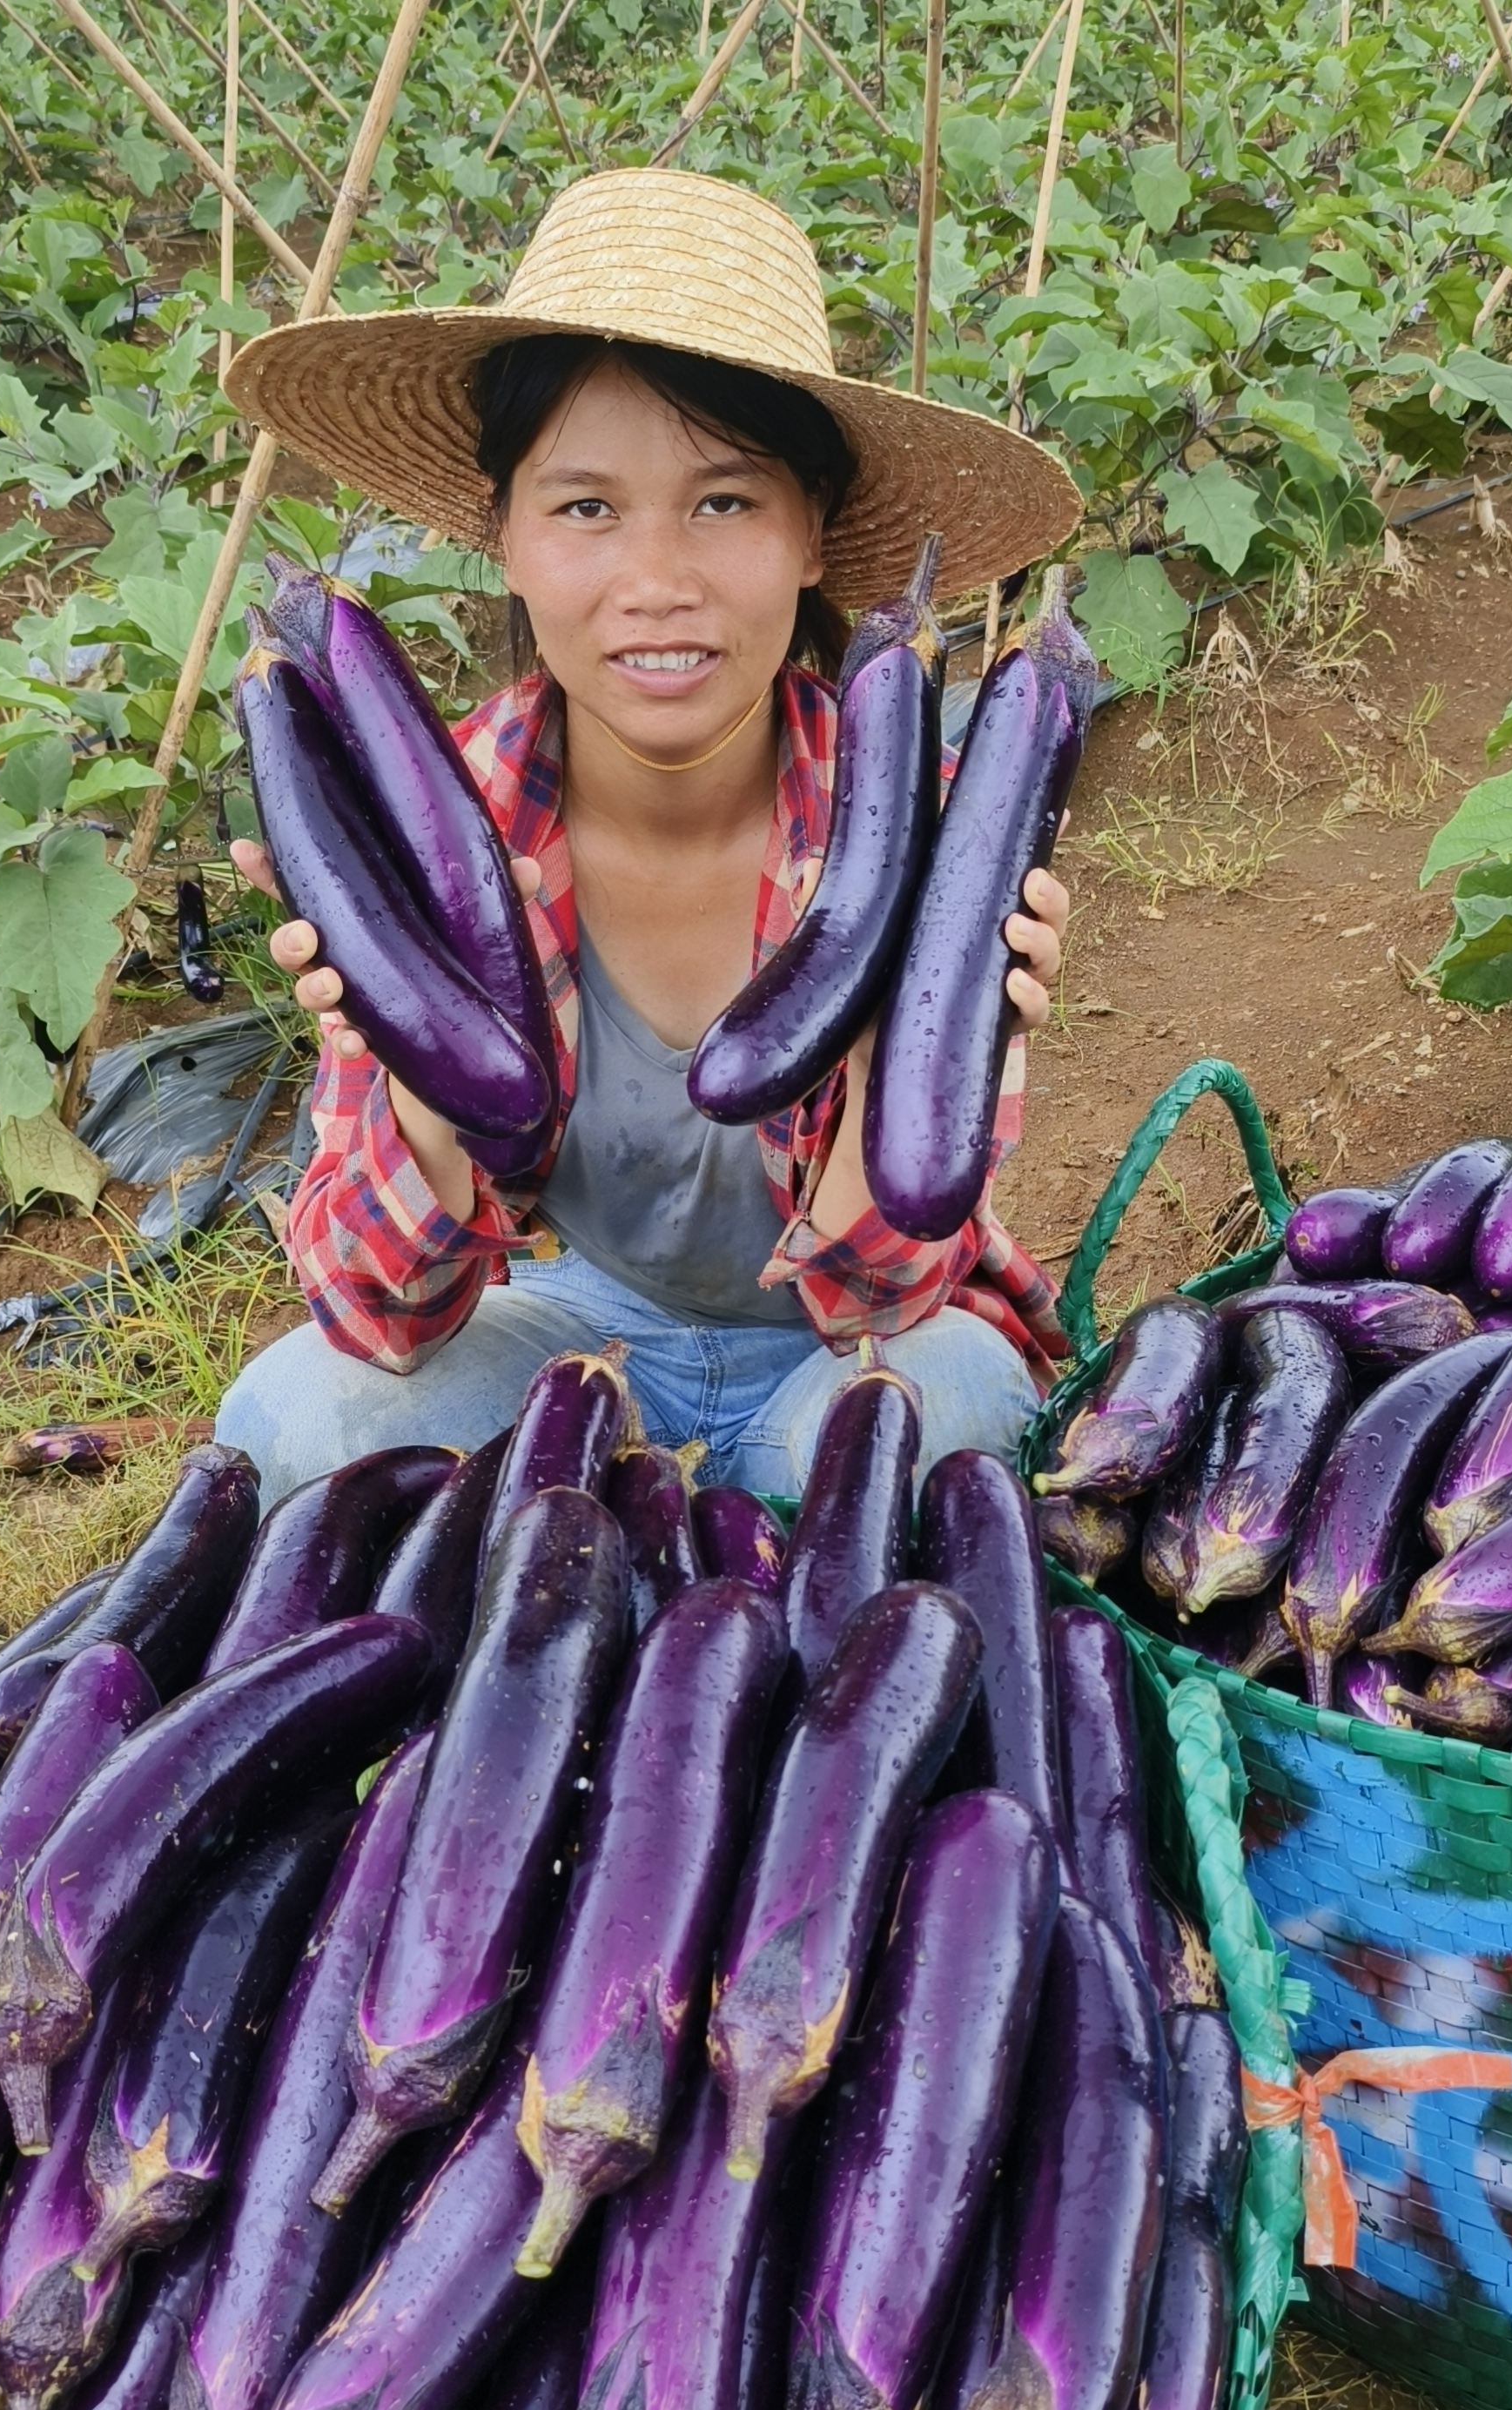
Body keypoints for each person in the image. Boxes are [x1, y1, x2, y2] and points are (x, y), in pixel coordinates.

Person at [212, 168, 1086, 1507]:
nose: (657, 581)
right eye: (585, 507)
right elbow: (378, 1314)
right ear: (500, 535)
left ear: (813, 537)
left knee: (935, 1430)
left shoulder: (928, 816)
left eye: (726, 501)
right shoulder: (435, 828)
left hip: (849, 1355)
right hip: (583, 1341)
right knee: (298, 1422)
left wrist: (913, 1023)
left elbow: (889, 1286)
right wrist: (412, 1060)